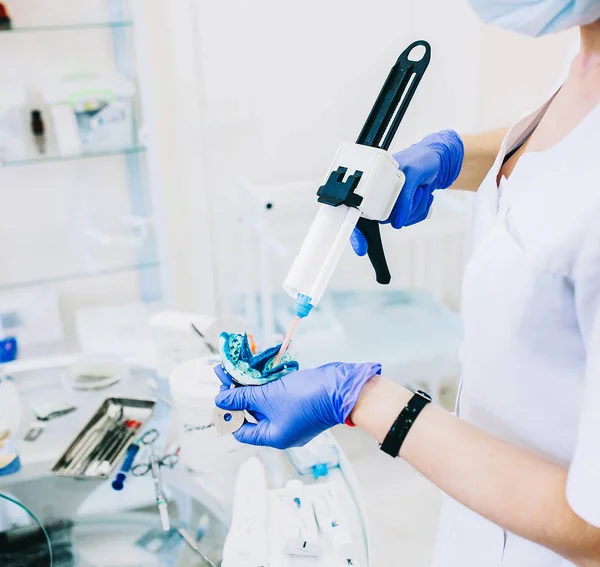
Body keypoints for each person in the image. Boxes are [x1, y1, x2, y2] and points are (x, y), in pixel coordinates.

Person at [215, 1, 600, 564]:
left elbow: (592, 529)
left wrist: (360, 399)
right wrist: (454, 158)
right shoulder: (585, 48)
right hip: (483, 514)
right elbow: (564, 159)